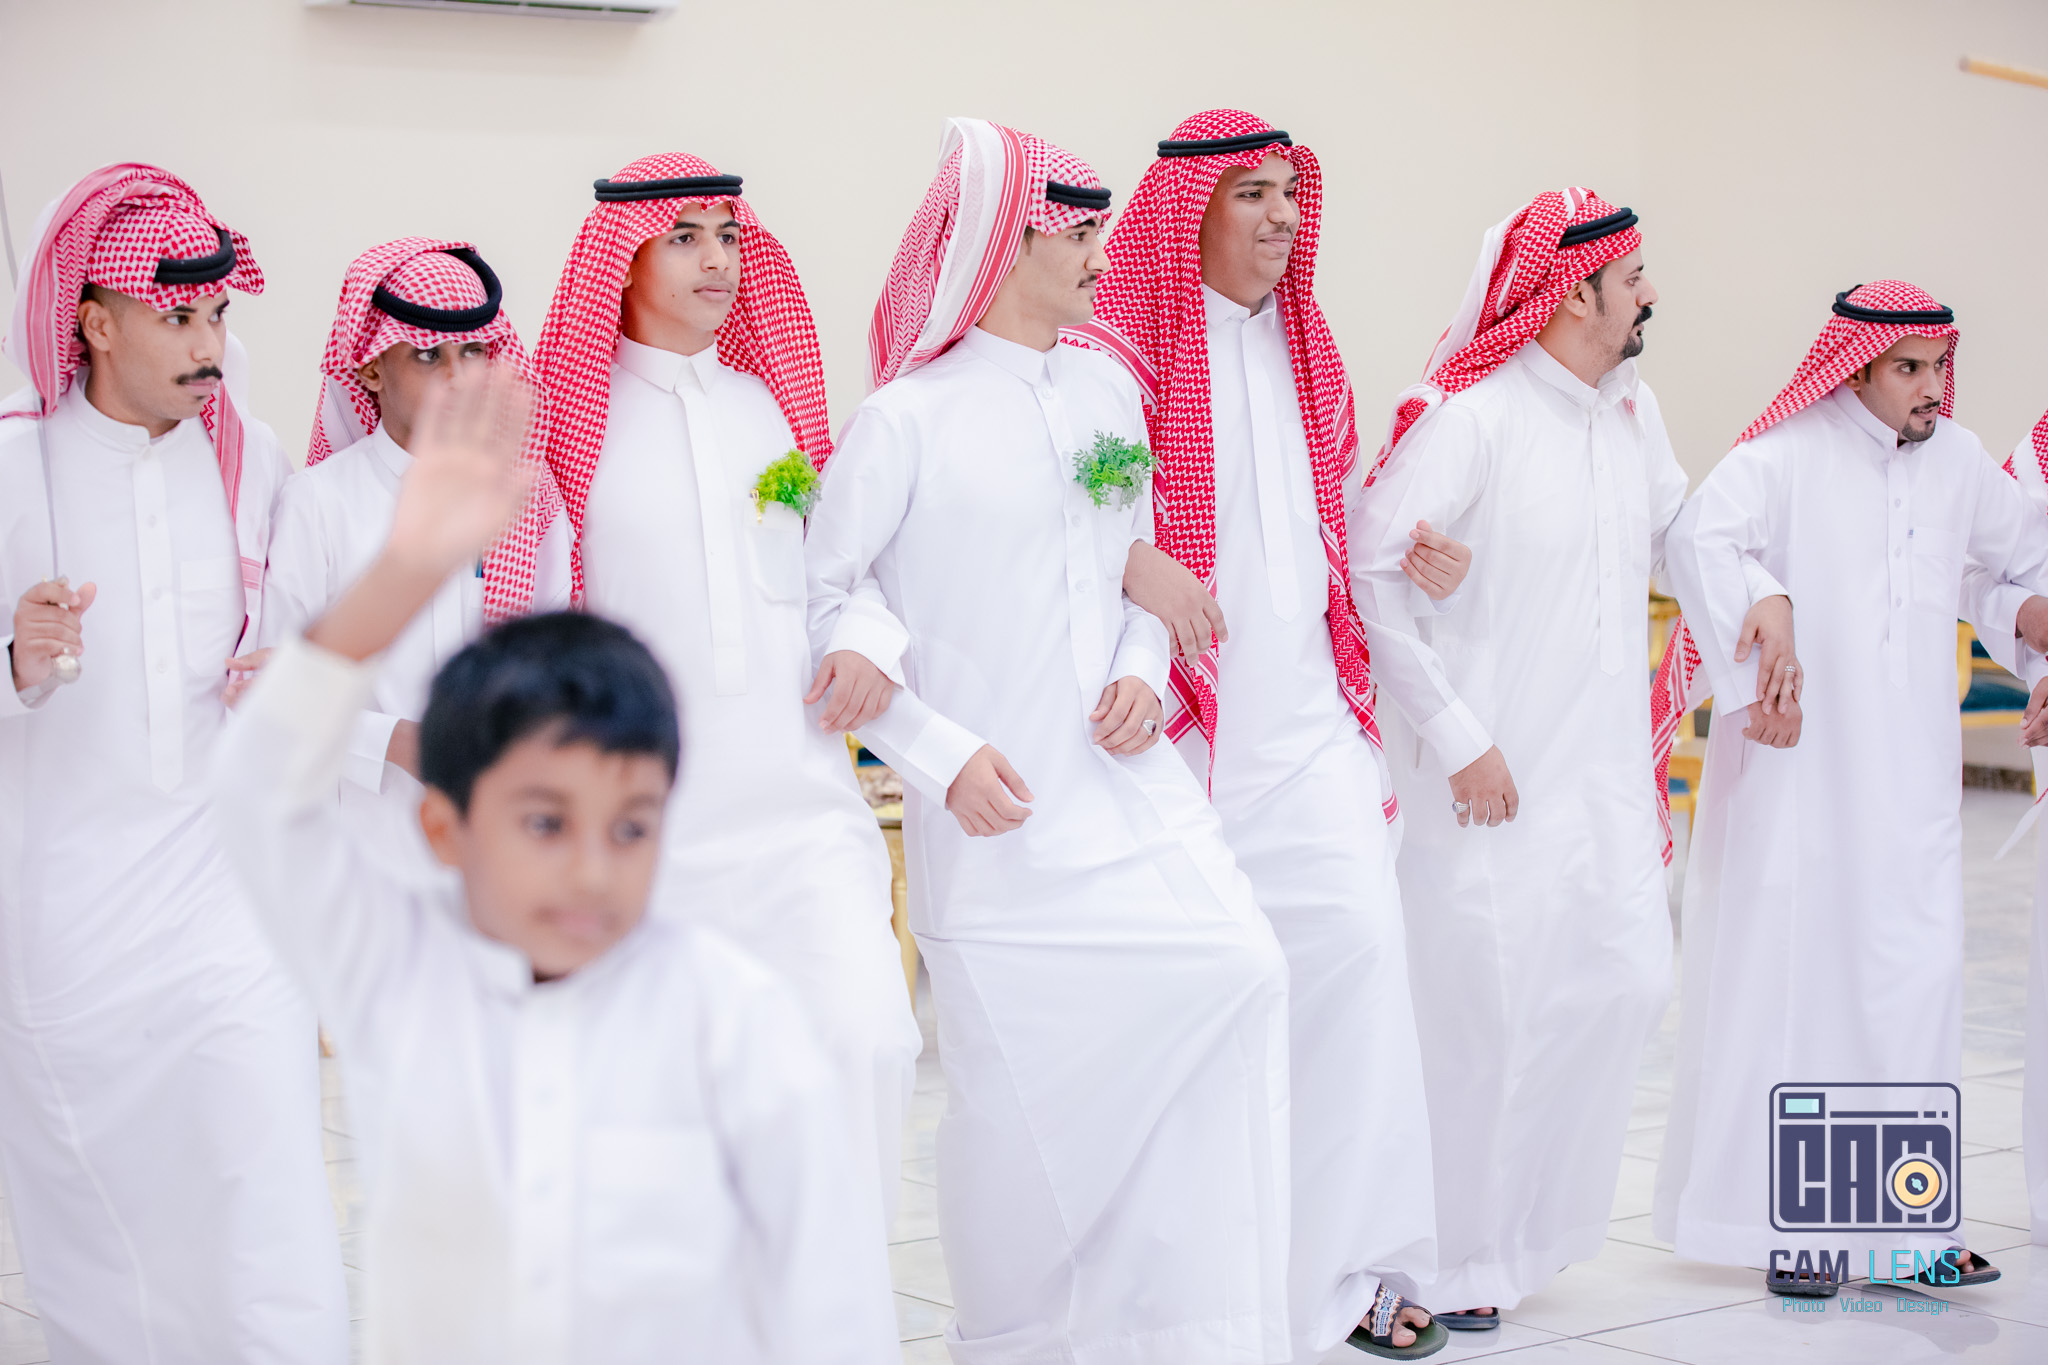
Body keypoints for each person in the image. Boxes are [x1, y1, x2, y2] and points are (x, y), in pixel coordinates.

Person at [212, 364, 900, 1364]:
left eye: (630, 828)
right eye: (544, 824)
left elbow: (824, 1309)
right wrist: (406, 570)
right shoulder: (399, 975)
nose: (590, 871)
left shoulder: (731, 1021)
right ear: (446, 830)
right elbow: (257, 791)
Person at [806, 116, 1295, 1364]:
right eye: (1076, 234)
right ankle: (1016, 1335)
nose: (1100, 256)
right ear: (1002, 242)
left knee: (1237, 968)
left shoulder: (1103, 390)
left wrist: (1143, 669)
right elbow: (829, 605)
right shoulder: (904, 420)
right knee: (1022, 1112)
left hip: (1126, 781)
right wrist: (938, 756)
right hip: (998, 817)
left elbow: (1132, 561)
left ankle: (1178, 1322)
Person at [1347, 188, 1791, 1327]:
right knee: (1486, 1021)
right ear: (1568, 293)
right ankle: (1446, 1262)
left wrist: (1759, 597)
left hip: (1600, 776)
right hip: (1484, 784)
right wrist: (1459, 739)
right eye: (1631, 277)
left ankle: (1521, 1239)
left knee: (1621, 980)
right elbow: (1374, 575)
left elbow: (1679, 535)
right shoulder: (1472, 420)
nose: (1649, 294)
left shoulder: (1630, 411)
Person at [1075, 108, 1450, 1361]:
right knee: (1201, 1015)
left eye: (1291, 193)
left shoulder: (1307, 352)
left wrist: (1414, 553)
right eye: (1251, 193)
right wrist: (1131, 560)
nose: (1282, 216)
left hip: (1306, 732)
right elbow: (1067, 522)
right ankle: (1201, 1289)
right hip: (1179, 740)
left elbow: (1337, 517)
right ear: (1188, 211)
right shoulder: (1111, 362)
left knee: (1360, 963)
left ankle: (1351, 1273)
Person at [505, 154, 921, 1214]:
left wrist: (865, 638)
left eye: (729, 236)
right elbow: (527, 621)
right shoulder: (568, 424)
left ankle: (838, 1298)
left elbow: (841, 574)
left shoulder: (769, 406)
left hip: (801, 818)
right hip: (655, 840)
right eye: (684, 237)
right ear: (621, 259)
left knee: (869, 1046)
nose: (717, 259)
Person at [0, 163, 345, 1361]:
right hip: (68, 910)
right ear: (96, 324)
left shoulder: (249, 461)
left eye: (217, 315)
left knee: (267, 1187)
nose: (208, 345)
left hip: (224, 900)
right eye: (177, 317)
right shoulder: (14, 469)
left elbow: (315, 634)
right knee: (105, 1224)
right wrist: (11, 656)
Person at [1657, 284, 2048, 1292]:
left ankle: (1899, 1228)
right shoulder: (1787, 453)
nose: (1930, 388)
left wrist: (2038, 646)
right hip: (1802, 779)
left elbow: (2019, 566)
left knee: (1913, 983)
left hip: (1913, 783)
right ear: (1855, 368)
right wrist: (1770, 603)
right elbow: (1699, 538)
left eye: (1937, 366)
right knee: (1805, 987)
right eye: (1907, 368)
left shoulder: (1959, 461)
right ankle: (1796, 1233)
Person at [257, 238, 572, 878]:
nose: (459, 378)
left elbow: (557, 662)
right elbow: (272, 689)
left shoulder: (528, 497)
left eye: (474, 352)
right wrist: (397, 743)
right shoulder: (318, 502)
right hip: (362, 856)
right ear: (371, 370)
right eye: (429, 355)